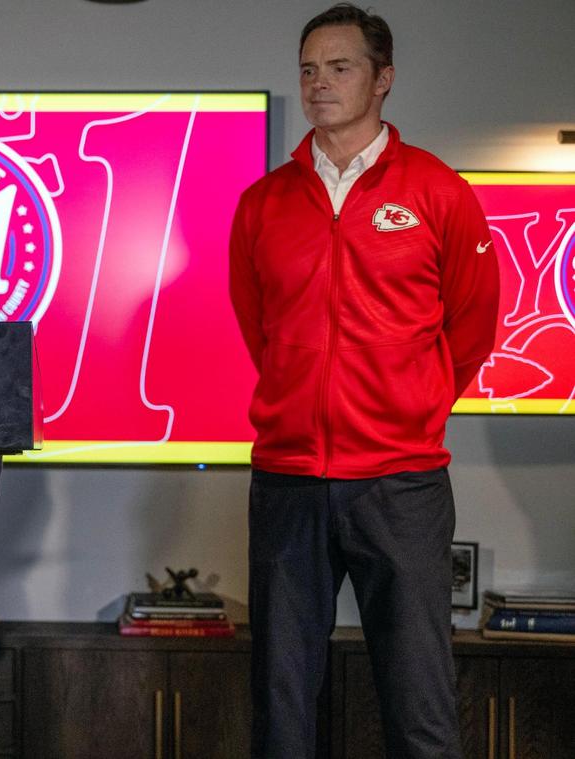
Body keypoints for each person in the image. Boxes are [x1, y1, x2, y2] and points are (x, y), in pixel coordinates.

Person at [228, 4, 499, 758]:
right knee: (281, 708)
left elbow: (473, 325)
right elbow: (262, 330)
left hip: (401, 485)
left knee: (420, 703)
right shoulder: (263, 203)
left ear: (383, 79)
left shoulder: (439, 191)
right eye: (309, 70)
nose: (319, 84)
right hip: (286, 482)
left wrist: (410, 405)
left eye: (339, 67)